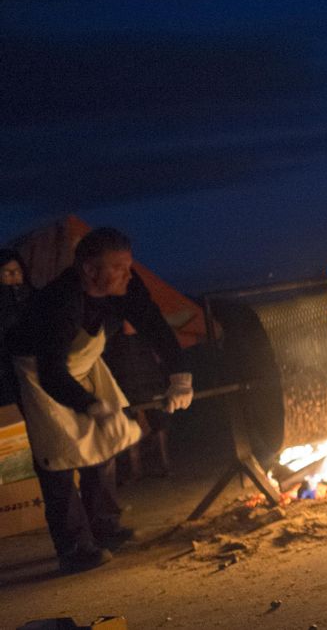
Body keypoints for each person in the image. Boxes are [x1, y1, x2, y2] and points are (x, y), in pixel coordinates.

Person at [6, 228, 194, 573]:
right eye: (119, 267)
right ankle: (74, 547)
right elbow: (51, 373)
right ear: (90, 271)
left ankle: (105, 527)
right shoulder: (59, 302)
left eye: (129, 265)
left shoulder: (125, 285)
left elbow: (153, 324)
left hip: (85, 362)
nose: (128, 273)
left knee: (105, 439)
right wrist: (91, 406)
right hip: (38, 370)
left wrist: (180, 376)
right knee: (58, 458)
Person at [0, 249, 33, 408]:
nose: (14, 276)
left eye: (18, 271)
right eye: (7, 272)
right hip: (7, 375)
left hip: (32, 369)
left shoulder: (33, 296)